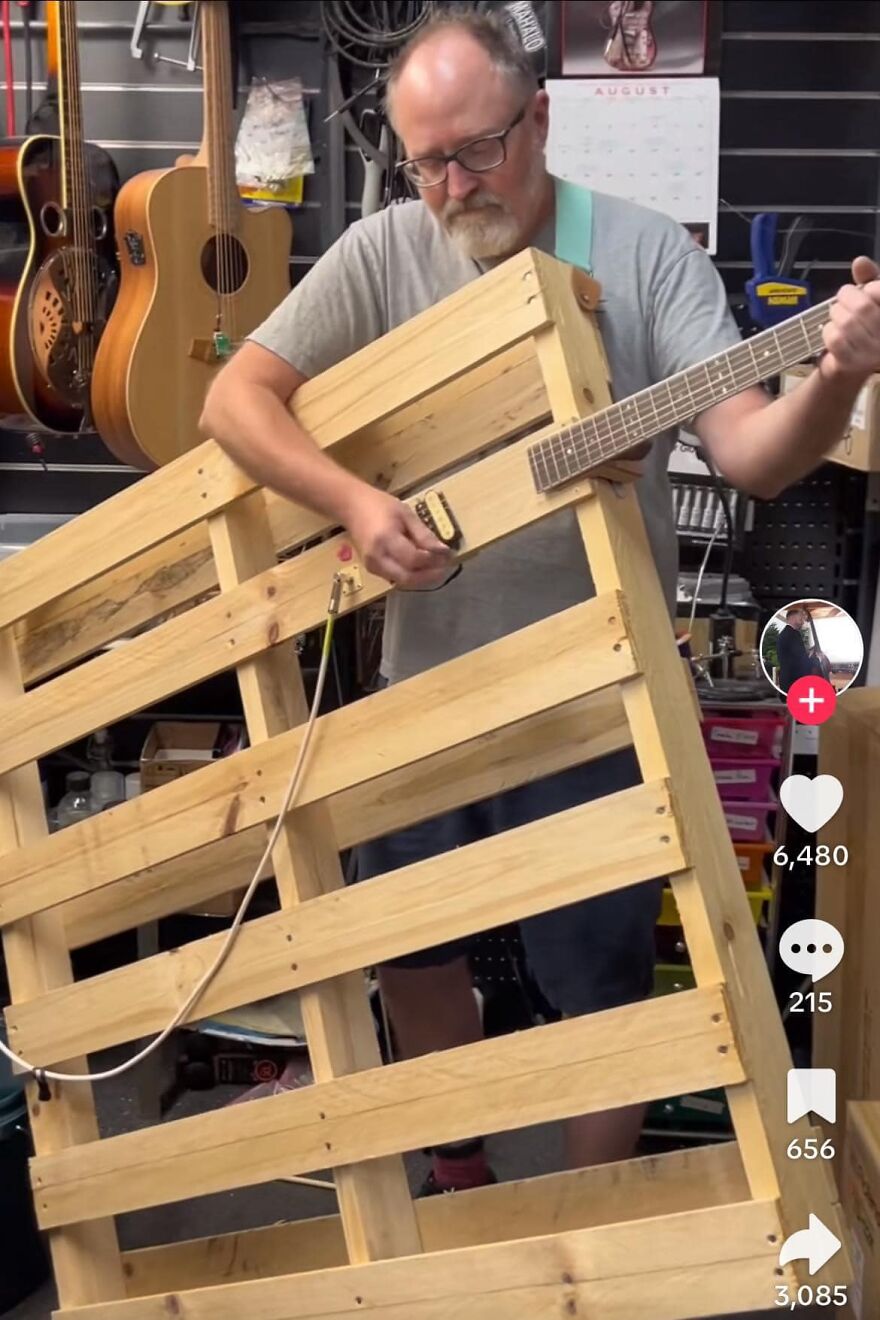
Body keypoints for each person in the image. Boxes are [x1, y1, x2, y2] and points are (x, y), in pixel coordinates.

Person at [201, 10, 880, 1191]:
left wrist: (834, 373)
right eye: (428, 161)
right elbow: (235, 404)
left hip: (598, 699)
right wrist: (356, 502)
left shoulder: (642, 251)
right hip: (427, 687)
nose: (454, 184)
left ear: (543, 118)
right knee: (410, 954)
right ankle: (458, 1168)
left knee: (597, 981)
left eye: (479, 149)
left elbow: (754, 457)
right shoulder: (381, 252)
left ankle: (581, 1225)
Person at [776, 606, 814, 692]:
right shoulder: (793, 634)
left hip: (787, 679)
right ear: (792, 618)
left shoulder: (785, 633)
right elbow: (801, 658)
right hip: (794, 680)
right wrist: (813, 658)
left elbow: (793, 655)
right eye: (801, 619)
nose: (803, 622)